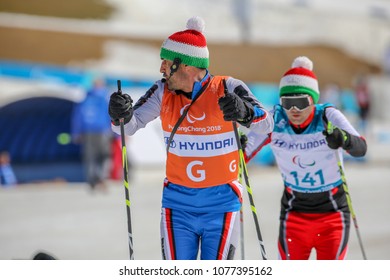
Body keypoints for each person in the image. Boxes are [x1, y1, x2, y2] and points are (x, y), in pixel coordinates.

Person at [108, 16, 274, 260]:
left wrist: (244, 112)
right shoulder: (162, 91)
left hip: (222, 205)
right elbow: (127, 126)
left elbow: (267, 124)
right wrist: (118, 113)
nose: (161, 69)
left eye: (165, 62)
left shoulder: (227, 86)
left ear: (184, 64)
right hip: (178, 206)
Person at [243, 56, 367, 260]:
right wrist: (238, 142)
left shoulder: (327, 115)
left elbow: (361, 148)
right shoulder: (274, 119)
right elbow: (241, 157)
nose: (294, 110)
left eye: (301, 102)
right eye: (287, 103)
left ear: (313, 100)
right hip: (294, 217)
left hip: (332, 216)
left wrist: (343, 139)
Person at [71, 78, 113, 192]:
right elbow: (112, 115)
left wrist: (76, 133)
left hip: (87, 131)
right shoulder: (106, 97)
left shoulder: (85, 98)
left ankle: (92, 181)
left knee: (90, 157)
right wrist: (118, 134)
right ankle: (102, 178)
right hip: (103, 130)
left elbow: (78, 117)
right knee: (105, 156)